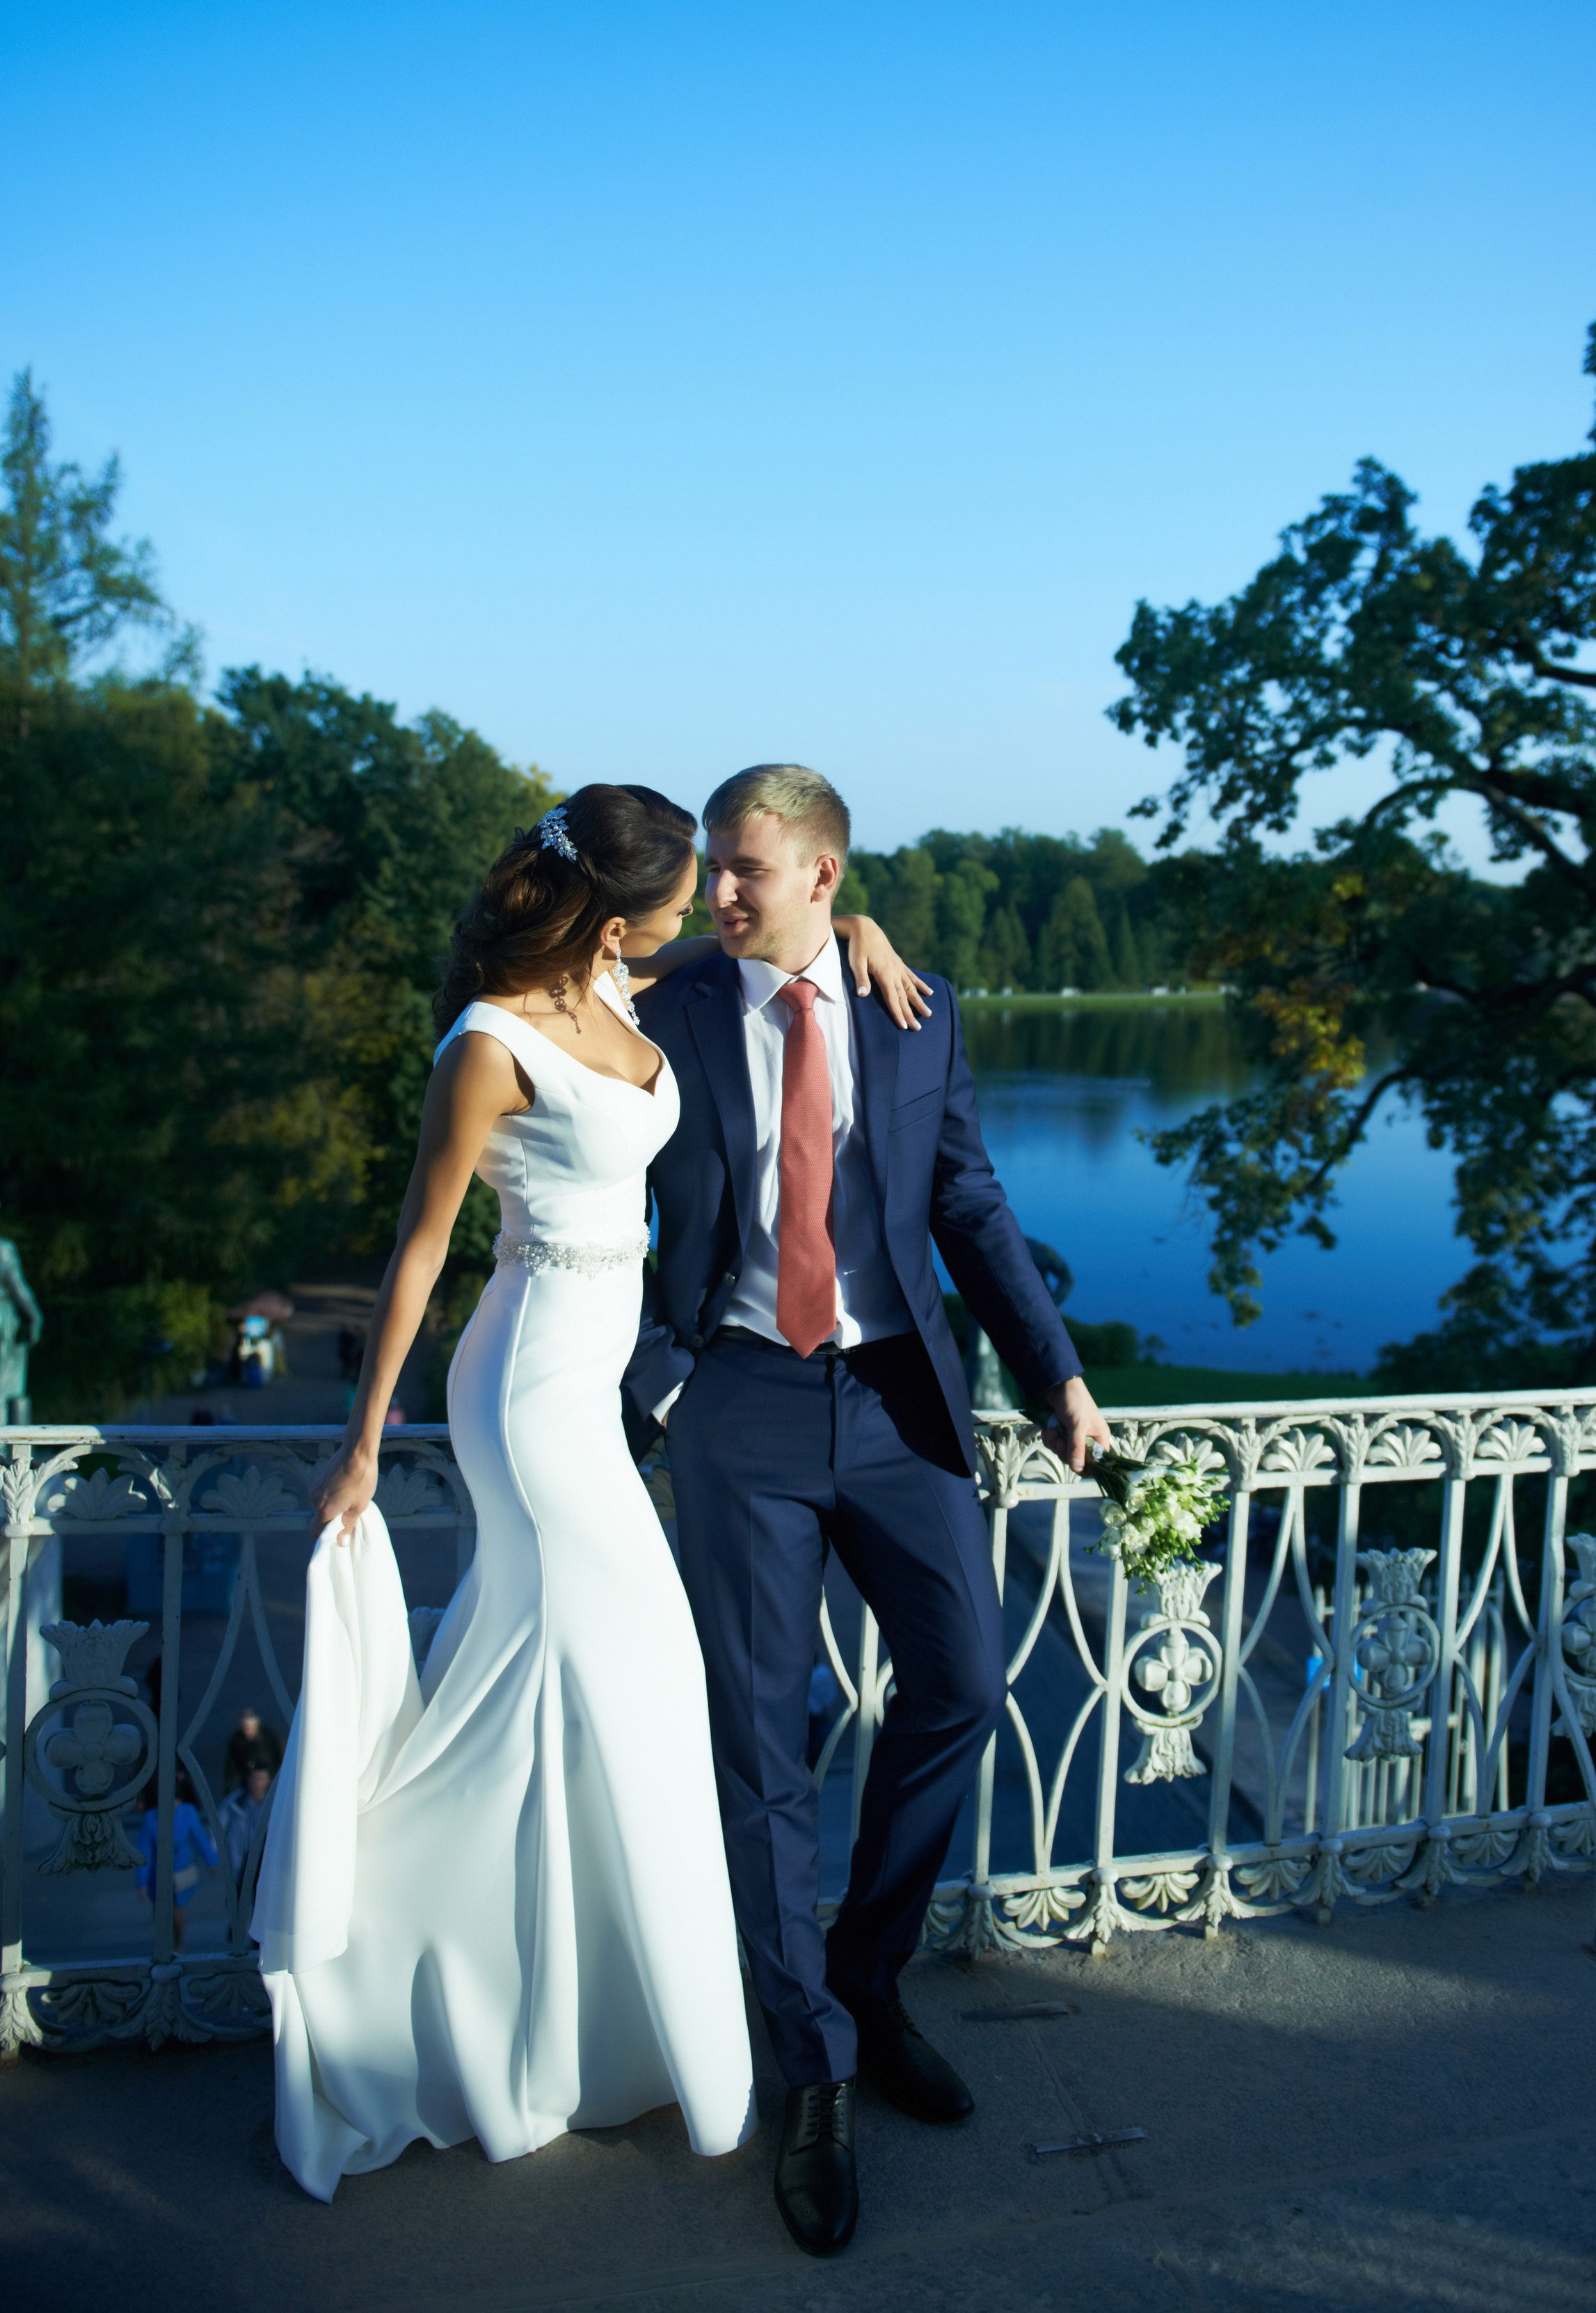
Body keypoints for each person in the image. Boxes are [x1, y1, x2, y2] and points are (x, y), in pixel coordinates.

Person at [255, 784, 923, 2205]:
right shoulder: (485, 1044)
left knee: (562, 1691)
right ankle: (399, 1986)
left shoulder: (629, 976)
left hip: (598, 1395)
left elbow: (769, 940)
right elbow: (421, 1247)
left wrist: (849, 919)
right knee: (635, 1673)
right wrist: (366, 1440)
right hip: (524, 1394)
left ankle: (552, 2010)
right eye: (687, 899)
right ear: (617, 913)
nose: (707, 917)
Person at [625, 763, 1111, 2259]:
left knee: (962, 1679)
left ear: (823, 878)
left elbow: (967, 1202)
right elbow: (529, 964)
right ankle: (816, 2073)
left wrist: (1055, 1379)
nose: (716, 891)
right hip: (739, 1401)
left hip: (902, 1401)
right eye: (711, 866)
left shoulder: (922, 1010)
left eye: (744, 870)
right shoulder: (678, 1002)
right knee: (759, 1740)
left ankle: (865, 1966)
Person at [138, 1765, 218, 1949]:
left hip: (181, 1870)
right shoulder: (151, 1818)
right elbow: (145, 1852)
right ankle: (164, 1945)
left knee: (177, 1911)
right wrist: (141, 1883)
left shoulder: (188, 1812)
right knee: (160, 1913)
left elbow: (199, 1839)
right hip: (157, 1875)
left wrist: (211, 1861)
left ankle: (177, 1947)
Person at [219, 1760, 275, 1884]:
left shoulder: (275, 1805)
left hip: (263, 1857)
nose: (256, 1782)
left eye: (261, 1779)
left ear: (269, 1781)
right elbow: (219, 1828)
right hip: (241, 1855)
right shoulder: (234, 1802)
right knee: (237, 1895)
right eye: (253, 1778)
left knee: (260, 1895)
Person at [224, 1707, 285, 1793]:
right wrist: (229, 1790)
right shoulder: (237, 1741)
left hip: (269, 1781)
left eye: (250, 1727)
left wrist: (274, 1778)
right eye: (245, 1727)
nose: (248, 1731)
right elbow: (231, 1767)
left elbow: (280, 1757)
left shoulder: (270, 1737)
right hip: (247, 1783)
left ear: (256, 1725)